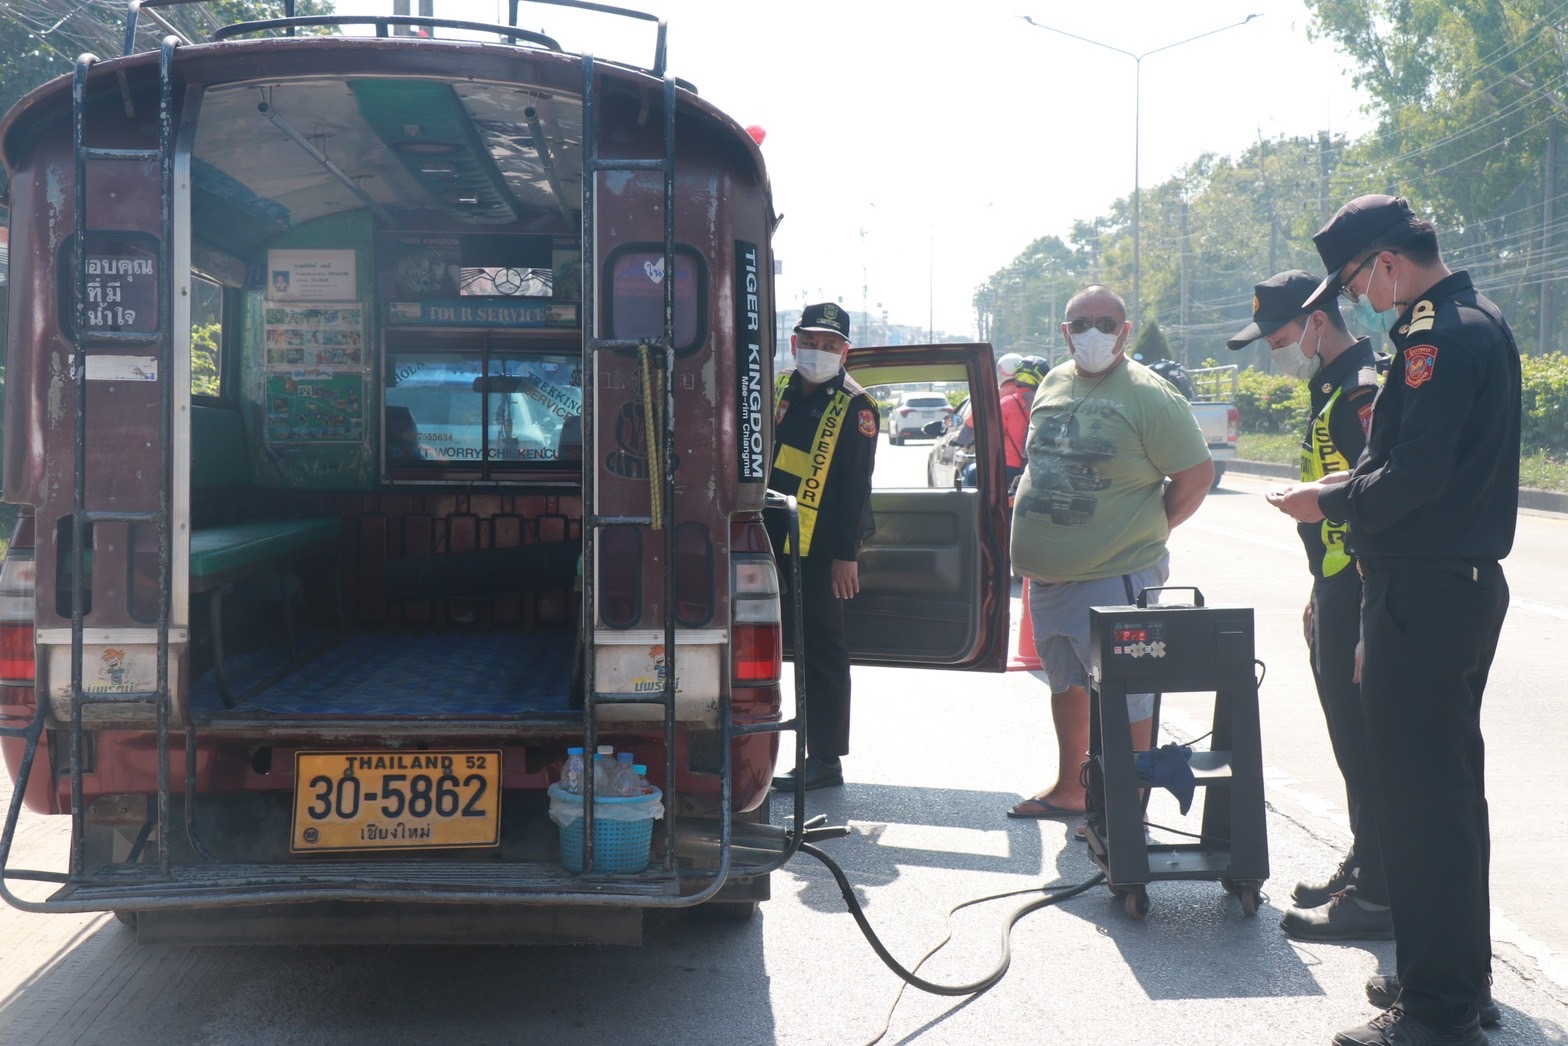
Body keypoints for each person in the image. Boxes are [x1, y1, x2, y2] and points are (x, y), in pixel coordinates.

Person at [1270, 195, 1519, 1046]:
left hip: (1429, 589)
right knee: (1444, 799)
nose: (1361, 300)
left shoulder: (1437, 340)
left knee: (1422, 803)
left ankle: (1440, 1011)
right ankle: (1452, 980)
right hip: (1439, 587)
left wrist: (1323, 498)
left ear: (1385, 261)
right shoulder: (1469, 319)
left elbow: (1410, 478)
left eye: (1356, 279)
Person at [1006, 286, 1213, 822]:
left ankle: (1127, 804)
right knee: (1067, 685)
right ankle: (1073, 789)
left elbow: (1195, 474)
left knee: (1126, 694)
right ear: (1064, 332)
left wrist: (1142, 532)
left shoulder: (1150, 394)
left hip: (1116, 575)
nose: (1091, 333)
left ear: (1125, 331)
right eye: (1080, 324)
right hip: (1049, 580)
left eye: (1104, 323)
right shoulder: (1053, 381)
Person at [1226, 270, 1390, 941]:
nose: (1275, 349)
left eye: (1281, 335)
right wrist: (1320, 594)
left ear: (1318, 323)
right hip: (1337, 584)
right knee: (1351, 743)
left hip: (1363, 587)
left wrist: (1362, 615)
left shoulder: (1361, 391)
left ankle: (1379, 889)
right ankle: (1366, 862)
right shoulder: (1330, 386)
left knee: (1368, 742)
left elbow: (1378, 503)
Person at [766, 302, 879, 791]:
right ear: (794, 343)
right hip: (764, 536)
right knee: (756, 644)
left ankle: (825, 760)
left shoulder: (857, 405)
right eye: (810, 342)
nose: (818, 351)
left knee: (822, 652)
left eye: (829, 345)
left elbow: (857, 486)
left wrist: (845, 554)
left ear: (845, 352)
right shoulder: (776, 388)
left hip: (819, 550)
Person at [1000, 356, 1045, 486]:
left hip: (1009, 468)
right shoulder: (1051, 404)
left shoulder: (1006, 404)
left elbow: (994, 438)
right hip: (1040, 468)